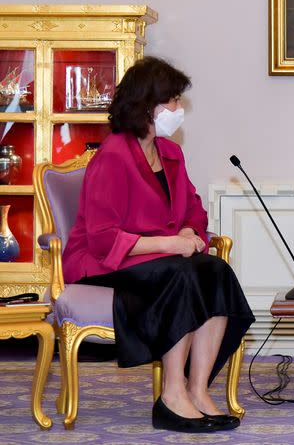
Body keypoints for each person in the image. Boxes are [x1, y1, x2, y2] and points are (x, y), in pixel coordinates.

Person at [62, 57, 255, 433]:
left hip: (155, 262)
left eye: (178, 102)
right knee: (182, 274)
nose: (178, 110)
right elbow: (103, 238)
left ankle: (197, 391)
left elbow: (193, 211)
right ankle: (171, 394)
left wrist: (189, 233)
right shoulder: (113, 157)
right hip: (104, 263)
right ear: (145, 105)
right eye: (172, 102)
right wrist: (169, 244)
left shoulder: (170, 154)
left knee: (215, 270)